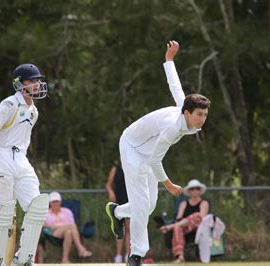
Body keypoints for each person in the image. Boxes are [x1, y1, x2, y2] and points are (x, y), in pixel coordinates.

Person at [105, 40, 212, 266]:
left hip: (149, 151)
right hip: (132, 147)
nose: (202, 119)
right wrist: (169, 184)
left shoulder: (185, 113)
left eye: (205, 114)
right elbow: (156, 160)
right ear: (186, 113)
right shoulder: (173, 128)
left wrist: (169, 60)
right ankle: (136, 255)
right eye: (199, 115)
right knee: (142, 204)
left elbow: (176, 87)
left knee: (149, 205)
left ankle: (117, 212)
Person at [0, 64, 50, 265]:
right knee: (2, 211)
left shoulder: (33, 111)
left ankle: (24, 258)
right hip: (1, 156)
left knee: (37, 207)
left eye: (38, 80)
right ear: (19, 84)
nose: (37, 84)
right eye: (32, 81)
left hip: (21, 159)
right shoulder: (9, 104)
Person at [159, 179, 210, 263]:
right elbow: (178, 219)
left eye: (197, 188)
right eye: (192, 189)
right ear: (189, 191)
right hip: (185, 228)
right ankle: (180, 257)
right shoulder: (183, 204)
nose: (194, 191)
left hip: (199, 228)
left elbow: (202, 218)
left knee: (197, 216)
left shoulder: (204, 203)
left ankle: (170, 227)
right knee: (177, 228)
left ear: (200, 190)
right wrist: (181, 223)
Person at [43, 191, 92, 263]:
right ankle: (81, 249)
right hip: (53, 234)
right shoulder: (46, 213)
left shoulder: (67, 211)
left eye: (57, 201)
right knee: (72, 226)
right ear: (50, 203)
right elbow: (44, 225)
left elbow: (72, 223)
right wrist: (53, 227)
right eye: (53, 202)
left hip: (68, 231)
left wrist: (62, 226)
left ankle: (65, 259)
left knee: (68, 232)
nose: (55, 204)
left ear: (60, 202)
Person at [105, 161, 131, 263]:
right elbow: (108, 184)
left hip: (130, 200)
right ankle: (118, 256)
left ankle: (127, 256)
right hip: (118, 201)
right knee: (119, 228)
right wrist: (111, 192)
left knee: (129, 228)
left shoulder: (132, 166)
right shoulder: (115, 169)